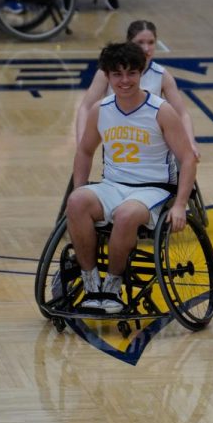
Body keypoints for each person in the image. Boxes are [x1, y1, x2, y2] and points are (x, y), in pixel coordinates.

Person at [66, 42, 196, 313]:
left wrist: (181, 204)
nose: (125, 81)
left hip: (154, 189)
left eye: (131, 73)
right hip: (113, 185)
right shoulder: (100, 110)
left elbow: (187, 158)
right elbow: (85, 151)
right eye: (117, 74)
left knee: (125, 215)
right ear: (107, 76)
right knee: (77, 202)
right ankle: (91, 283)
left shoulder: (161, 110)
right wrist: (79, 190)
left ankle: (113, 286)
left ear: (140, 73)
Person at [75, 20, 199, 159]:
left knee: (185, 164)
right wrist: (81, 142)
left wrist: (190, 143)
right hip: (117, 141)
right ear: (129, 43)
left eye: (151, 42)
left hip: (151, 143)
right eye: (140, 42)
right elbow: (85, 107)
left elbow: (182, 114)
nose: (146, 48)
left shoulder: (162, 74)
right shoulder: (107, 72)